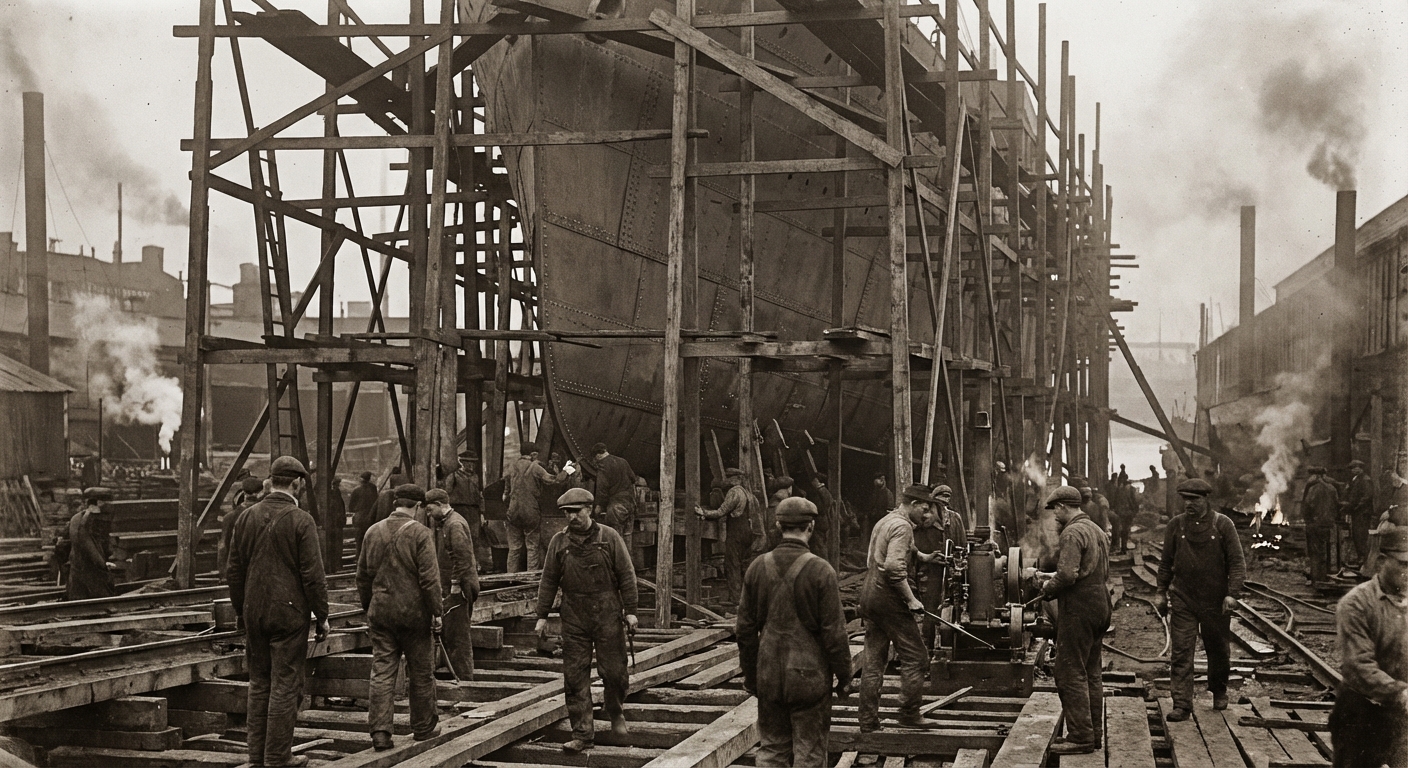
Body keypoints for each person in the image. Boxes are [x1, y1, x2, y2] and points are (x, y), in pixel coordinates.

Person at [226, 456, 330, 768]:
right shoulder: (301, 520)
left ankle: (257, 758)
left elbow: (233, 570)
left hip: (254, 612)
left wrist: (241, 610)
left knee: (259, 682)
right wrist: (322, 616)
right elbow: (313, 576)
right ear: (297, 483)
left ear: (272, 481)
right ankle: (277, 759)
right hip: (288, 615)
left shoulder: (246, 516)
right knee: (285, 683)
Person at [736, 497, 852, 766]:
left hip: (768, 674)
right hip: (808, 677)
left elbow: (743, 631)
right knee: (809, 753)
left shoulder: (757, 567)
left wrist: (752, 676)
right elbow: (834, 633)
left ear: (777, 525)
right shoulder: (822, 571)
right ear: (810, 527)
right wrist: (844, 676)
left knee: (772, 750)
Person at [535, 488, 638, 754]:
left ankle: (615, 711)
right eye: (567, 513)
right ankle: (582, 734)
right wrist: (542, 615)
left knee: (614, 672)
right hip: (574, 616)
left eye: (576, 511)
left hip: (607, 613)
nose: (571, 517)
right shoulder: (559, 542)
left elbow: (627, 575)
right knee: (575, 675)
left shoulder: (609, 537)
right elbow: (548, 580)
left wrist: (631, 610)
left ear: (589, 510)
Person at [356, 484, 443, 750]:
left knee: (382, 672)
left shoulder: (373, 531)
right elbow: (430, 580)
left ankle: (380, 733)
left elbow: (362, 577)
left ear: (396, 503)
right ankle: (423, 728)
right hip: (413, 616)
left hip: (381, 614)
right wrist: (437, 612)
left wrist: (371, 607)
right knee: (421, 672)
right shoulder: (421, 533)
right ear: (417, 507)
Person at [1155, 478, 1245, 721]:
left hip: (1215, 601)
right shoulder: (1176, 525)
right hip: (1184, 597)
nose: (1189, 504)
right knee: (1182, 652)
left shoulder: (1223, 525)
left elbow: (1237, 562)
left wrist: (1232, 594)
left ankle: (1219, 690)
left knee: (1218, 650)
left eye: (1194, 499)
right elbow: (1165, 563)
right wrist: (1160, 592)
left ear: (1206, 499)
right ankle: (1182, 704)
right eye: (1185, 499)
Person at [1037, 485, 1111, 755]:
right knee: (1091, 672)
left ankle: (1080, 737)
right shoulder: (1097, 531)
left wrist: (1047, 589)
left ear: (1063, 506)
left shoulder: (1073, 532)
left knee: (1069, 672)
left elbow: (1067, 574)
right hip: (1101, 603)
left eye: (1055, 509)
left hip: (1080, 607)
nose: (1055, 515)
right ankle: (1094, 735)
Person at [1328, 525, 1408, 767]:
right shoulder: (1357, 603)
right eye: (1404, 564)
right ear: (1382, 561)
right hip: (1361, 714)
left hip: (1402, 717)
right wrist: (1400, 692)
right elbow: (1359, 664)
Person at [857, 484, 934, 731]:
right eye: (924, 508)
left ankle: (868, 721)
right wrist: (911, 599)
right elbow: (893, 567)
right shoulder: (902, 527)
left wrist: (924, 557)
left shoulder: (887, 521)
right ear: (912, 504)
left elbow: (893, 551)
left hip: (870, 594)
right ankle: (909, 712)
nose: (926, 514)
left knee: (873, 660)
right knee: (917, 656)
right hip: (888, 598)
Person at [425, 488, 479, 681]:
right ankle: (457, 674)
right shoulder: (447, 523)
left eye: (430, 510)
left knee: (458, 635)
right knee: (452, 632)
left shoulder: (454, 524)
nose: (429, 514)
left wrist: (456, 584)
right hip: (456, 585)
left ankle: (464, 679)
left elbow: (462, 557)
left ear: (440, 505)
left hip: (461, 587)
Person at [697, 468, 765, 604]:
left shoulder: (734, 492)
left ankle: (736, 599)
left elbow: (721, 511)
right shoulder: (750, 495)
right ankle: (748, 599)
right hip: (749, 533)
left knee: (732, 565)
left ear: (734, 479)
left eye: (729, 478)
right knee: (744, 566)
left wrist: (703, 512)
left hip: (736, 533)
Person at [503, 442, 568, 572]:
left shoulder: (511, 466)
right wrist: (566, 470)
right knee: (532, 546)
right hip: (530, 511)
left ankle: (510, 578)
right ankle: (530, 577)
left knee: (514, 547)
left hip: (513, 511)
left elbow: (506, 492)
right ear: (533, 454)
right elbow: (553, 480)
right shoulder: (535, 467)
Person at [916, 485, 966, 650]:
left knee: (951, 605)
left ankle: (947, 644)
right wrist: (929, 558)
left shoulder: (955, 519)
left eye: (946, 502)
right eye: (939, 503)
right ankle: (927, 647)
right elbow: (916, 547)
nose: (943, 507)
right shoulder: (924, 521)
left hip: (950, 571)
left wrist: (958, 562)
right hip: (929, 572)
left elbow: (961, 545)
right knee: (929, 609)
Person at [64, 487, 118, 600]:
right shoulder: (85, 521)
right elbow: (87, 544)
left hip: (79, 568)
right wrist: (103, 564)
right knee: (98, 600)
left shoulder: (78, 517)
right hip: (88, 570)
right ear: (98, 503)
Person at [588, 443, 639, 559]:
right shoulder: (623, 461)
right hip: (630, 504)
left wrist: (598, 507)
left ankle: (618, 570)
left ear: (597, 456)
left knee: (616, 539)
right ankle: (629, 569)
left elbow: (602, 490)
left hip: (617, 506)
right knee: (627, 537)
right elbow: (633, 478)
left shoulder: (603, 466)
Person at [440, 451, 486, 567]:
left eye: (473, 463)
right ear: (462, 463)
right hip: (459, 510)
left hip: (474, 511)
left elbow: (480, 495)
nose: (471, 466)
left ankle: (475, 564)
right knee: (460, 537)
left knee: (474, 538)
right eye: (468, 463)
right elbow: (446, 495)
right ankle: (460, 564)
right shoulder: (453, 477)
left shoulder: (475, 477)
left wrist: (482, 512)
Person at [220, 476, 266, 581]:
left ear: (244, 493)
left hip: (238, 570)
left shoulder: (230, 517)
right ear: (260, 493)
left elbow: (223, 547)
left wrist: (223, 574)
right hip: (260, 572)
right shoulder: (264, 514)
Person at [1302, 466, 1340, 583]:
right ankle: (1325, 575)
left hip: (1315, 523)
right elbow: (1336, 505)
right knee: (1326, 550)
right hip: (1328, 524)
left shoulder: (1312, 489)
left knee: (1315, 552)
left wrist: (1308, 520)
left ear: (1316, 476)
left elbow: (1307, 506)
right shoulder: (1332, 488)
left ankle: (1316, 578)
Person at [1343, 459, 1373, 566]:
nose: (1353, 470)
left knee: (1361, 535)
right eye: (1352, 468)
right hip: (1356, 512)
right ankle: (1360, 557)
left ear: (1360, 468)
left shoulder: (1365, 479)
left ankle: (1363, 558)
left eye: (1355, 468)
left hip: (1362, 512)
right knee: (1356, 535)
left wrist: (1357, 507)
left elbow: (1367, 496)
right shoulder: (1355, 479)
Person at [806, 474, 835, 560]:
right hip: (821, 523)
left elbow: (824, 505)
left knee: (819, 548)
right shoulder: (820, 492)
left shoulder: (819, 492)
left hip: (819, 523)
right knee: (820, 547)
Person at [349, 471, 379, 551]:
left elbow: (351, 507)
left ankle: (359, 560)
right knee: (370, 541)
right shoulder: (373, 488)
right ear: (369, 479)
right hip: (371, 518)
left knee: (359, 542)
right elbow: (376, 502)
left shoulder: (356, 490)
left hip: (359, 519)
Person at [1110, 475, 1137, 554]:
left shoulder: (1119, 489)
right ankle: (1124, 547)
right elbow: (1134, 501)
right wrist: (1135, 510)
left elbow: (1115, 501)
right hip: (1128, 512)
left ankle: (1122, 547)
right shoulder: (1131, 489)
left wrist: (1115, 509)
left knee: (1123, 529)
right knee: (1126, 529)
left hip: (1121, 512)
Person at [324, 477, 347, 573]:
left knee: (336, 546)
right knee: (335, 546)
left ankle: (336, 565)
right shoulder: (334, 495)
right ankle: (335, 565)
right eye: (335, 484)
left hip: (335, 524)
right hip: (334, 525)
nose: (336, 486)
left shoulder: (335, 494)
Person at [864, 473, 894, 540]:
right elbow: (870, 505)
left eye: (881, 479)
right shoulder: (874, 493)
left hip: (882, 520)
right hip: (873, 519)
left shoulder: (888, 494)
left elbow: (890, 509)